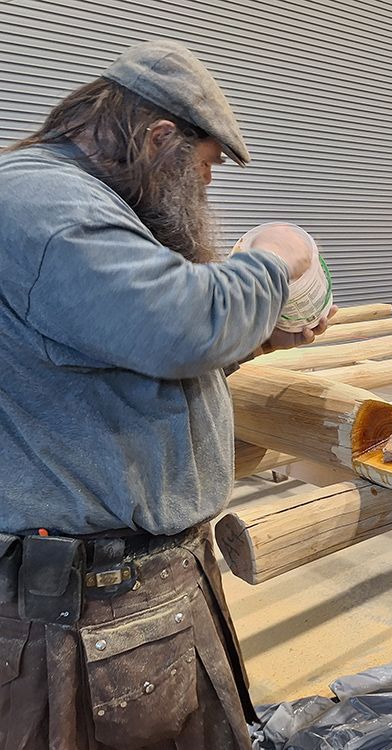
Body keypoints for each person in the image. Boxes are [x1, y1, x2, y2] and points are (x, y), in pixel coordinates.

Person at [0, 41, 329, 749]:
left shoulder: (72, 203)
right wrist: (274, 261)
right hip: (81, 619)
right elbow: (181, 322)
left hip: (132, 597)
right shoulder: (47, 206)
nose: (205, 191)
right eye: (205, 168)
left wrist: (261, 339)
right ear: (158, 139)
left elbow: (129, 361)